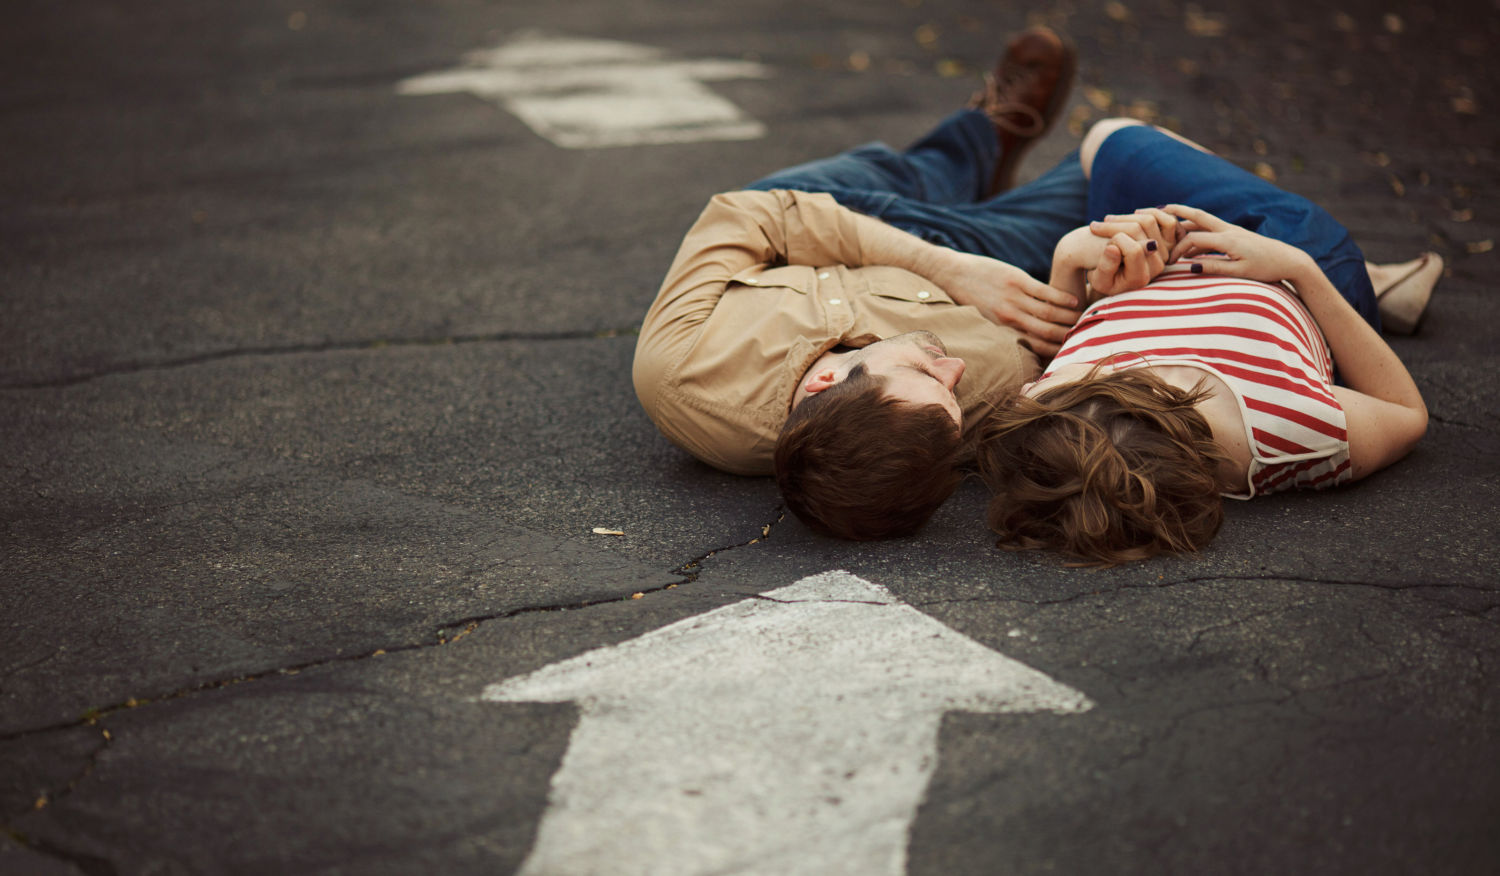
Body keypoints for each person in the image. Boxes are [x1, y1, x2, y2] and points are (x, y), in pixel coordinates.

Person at [634, 28, 1091, 539]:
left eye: (925, 372)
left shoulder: (681, 370)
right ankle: (975, 178)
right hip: (975, 252)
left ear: (824, 381)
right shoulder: (992, 385)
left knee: (909, 173)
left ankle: (984, 136)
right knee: (1104, 171)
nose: (956, 369)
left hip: (817, 214)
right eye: (954, 397)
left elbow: (745, 215)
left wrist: (950, 269)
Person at [976, 118, 1440, 565]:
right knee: (1109, 137)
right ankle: (1370, 281)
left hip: (1146, 261)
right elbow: (1407, 413)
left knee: (1101, 153)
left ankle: (1383, 283)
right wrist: (1301, 269)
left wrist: (1071, 261)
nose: (1033, 385)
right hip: (1284, 258)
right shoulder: (1291, 429)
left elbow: (1066, 343)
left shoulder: (1045, 424)